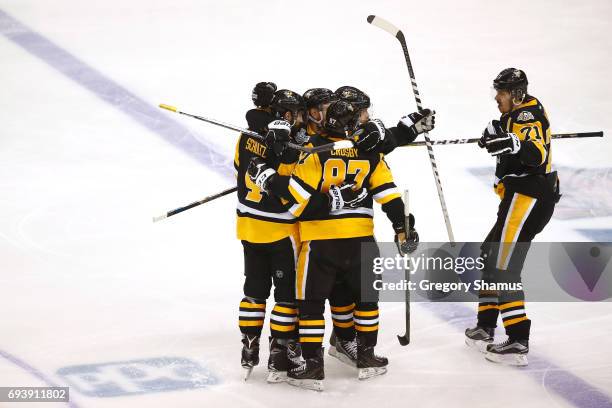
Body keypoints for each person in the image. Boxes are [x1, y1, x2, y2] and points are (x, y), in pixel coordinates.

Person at [283, 100, 419, 390]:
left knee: (310, 306)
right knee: (367, 302)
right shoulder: (370, 152)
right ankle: (367, 357)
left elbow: (295, 206)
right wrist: (403, 227)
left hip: (320, 244)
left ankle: (313, 368)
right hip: (361, 242)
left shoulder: (313, 153)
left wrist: (329, 201)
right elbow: (389, 196)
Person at [464, 68, 560, 366]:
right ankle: (485, 325)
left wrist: (514, 144)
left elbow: (537, 155)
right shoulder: (518, 114)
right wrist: (500, 141)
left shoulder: (526, 116)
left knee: (503, 265)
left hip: (527, 197)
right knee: (489, 254)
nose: (497, 98)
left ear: (516, 94)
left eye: (502, 93)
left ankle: (518, 339)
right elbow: (513, 149)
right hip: (522, 195)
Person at [235, 86, 306, 382]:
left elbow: (240, 165)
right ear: (288, 114)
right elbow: (291, 187)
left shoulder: (245, 135)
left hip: (248, 227)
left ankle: (249, 346)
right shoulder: (288, 146)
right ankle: (280, 351)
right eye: (299, 113)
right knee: (286, 297)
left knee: (253, 291)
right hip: (280, 231)